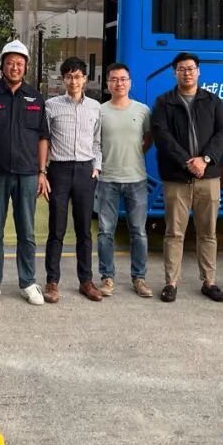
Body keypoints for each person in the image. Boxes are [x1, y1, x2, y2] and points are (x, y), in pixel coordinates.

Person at [0, 40, 50, 306]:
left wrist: (42, 172)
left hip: (27, 175)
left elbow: (42, 137)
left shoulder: (35, 98)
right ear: (2, 65)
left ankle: (28, 282)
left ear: (25, 67)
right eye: (10, 63)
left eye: (19, 63)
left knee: (27, 232)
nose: (15, 67)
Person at [150, 52, 223, 304]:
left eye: (191, 68)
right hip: (176, 177)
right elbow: (162, 136)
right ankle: (171, 283)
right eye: (182, 69)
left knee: (208, 233)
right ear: (174, 73)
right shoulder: (164, 102)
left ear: (198, 71)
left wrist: (205, 159)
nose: (187, 73)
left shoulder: (213, 100)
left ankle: (209, 282)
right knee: (174, 233)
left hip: (209, 177)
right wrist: (188, 161)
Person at [43, 57, 103, 303]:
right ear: (63, 79)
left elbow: (97, 141)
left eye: (78, 76)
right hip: (59, 170)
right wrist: (43, 171)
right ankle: (52, 282)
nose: (73, 81)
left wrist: (96, 166)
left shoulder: (95, 107)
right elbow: (44, 141)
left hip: (85, 172)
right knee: (56, 229)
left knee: (84, 230)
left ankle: (86, 281)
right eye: (68, 76)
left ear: (85, 79)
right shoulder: (51, 106)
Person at [96, 62, 153, 299]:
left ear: (130, 83)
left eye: (123, 79)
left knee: (138, 231)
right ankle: (107, 277)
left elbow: (148, 138)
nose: (119, 83)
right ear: (107, 84)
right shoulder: (99, 111)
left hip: (136, 178)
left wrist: (135, 155)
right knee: (105, 231)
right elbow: (95, 142)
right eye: (114, 79)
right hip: (107, 179)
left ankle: (139, 278)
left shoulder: (143, 110)